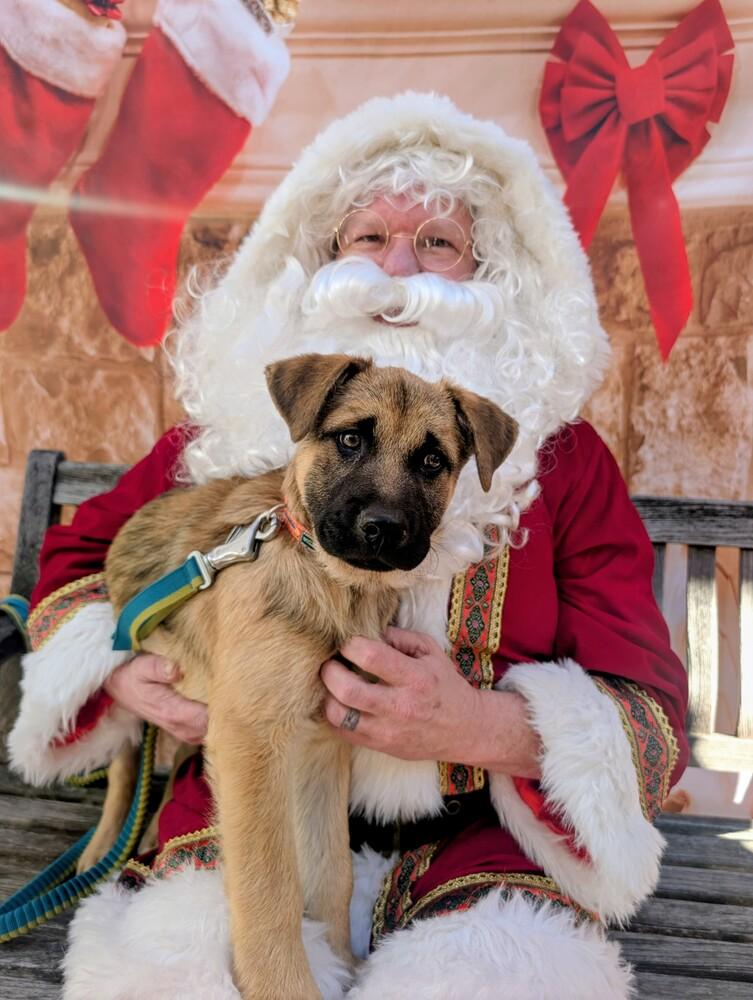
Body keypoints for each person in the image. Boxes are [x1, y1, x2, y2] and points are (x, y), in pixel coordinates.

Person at [8, 89, 688, 1000]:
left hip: (473, 841)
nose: (395, 268)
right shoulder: (235, 430)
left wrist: (483, 725)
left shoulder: (562, 459)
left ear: (490, 276)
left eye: (437, 243)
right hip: (243, 816)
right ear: (320, 260)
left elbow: (645, 703)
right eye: (367, 238)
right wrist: (125, 667)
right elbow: (85, 561)